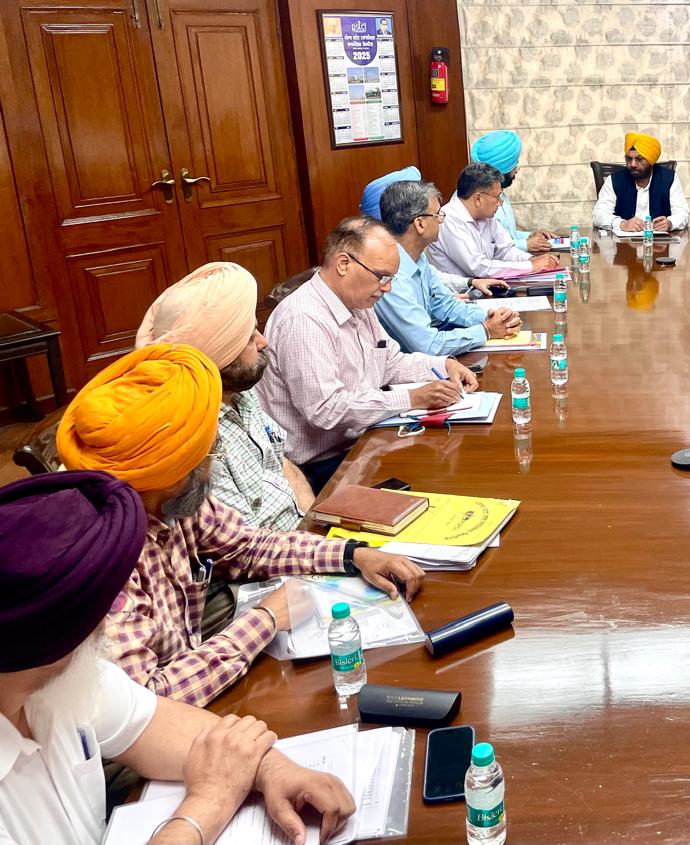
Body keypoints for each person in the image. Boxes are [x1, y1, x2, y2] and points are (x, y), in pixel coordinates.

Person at [56, 343, 430, 708]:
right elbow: (146, 705)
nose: (214, 464)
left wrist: (354, 555)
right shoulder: (102, 558)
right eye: (210, 452)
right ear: (172, 470)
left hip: (196, 668)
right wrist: (266, 619)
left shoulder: (165, 500)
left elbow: (248, 546)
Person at [0, 470, 356, 845]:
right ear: (49, 634)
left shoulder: (60, 678)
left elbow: (153, 724)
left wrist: (267, 767)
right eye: (102, 607)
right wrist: (207, 804)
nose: (109, 621)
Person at [258, 216, 478, 491]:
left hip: (362, 441)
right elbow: (326, 409)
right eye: (381, 276)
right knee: (439, 481)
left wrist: (444, 365)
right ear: (343, 264)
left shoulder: (358, 303)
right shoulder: (304, 319)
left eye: (391, 278)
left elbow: (390, 362)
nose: (387, 288)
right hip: (321, 466)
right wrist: (412, 398)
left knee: (455, 460)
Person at [136, 262, 313, 533]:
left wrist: (315, 520)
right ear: (217, 353)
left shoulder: (240, 390)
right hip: (276, 553)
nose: (263, 342)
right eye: (249, 338)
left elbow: (278, 462)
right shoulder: (195, 434)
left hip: (306, 533)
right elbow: (246, 545)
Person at [376, 180, 521, 356]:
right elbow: (428, 346)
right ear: (420, 224)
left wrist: (493, 317)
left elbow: (447, 305)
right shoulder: (390, 277)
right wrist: (486, 330)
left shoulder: (418, 259)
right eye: (437, 215)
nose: (441, 220)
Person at [429, 163, 560, 282]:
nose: (500, 203)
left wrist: (531, 259)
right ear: (478, 199)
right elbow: (478, 267)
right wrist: (530, 266)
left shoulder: (486, 217)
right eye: (497, 197)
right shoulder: (449, 219)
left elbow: (506, 250)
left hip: (486, 289)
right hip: (461, 296)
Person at [470, 130, 557, 253]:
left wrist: (531, 235)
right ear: (502, 169)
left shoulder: (499, 192)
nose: (517, 170)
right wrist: (525, 244)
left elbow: (507, 235)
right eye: (514, 165)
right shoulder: (478, 199)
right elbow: (486, 247)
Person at [591, 132, 690, 233]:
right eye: (629, 159)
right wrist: (621, 224)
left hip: (659, 241)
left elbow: (683, 213)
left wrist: (670, 223)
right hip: (623, 241)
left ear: (651, 160)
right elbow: (598, 215)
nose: (633, 164)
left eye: (639, 159)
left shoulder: (669, 178)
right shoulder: (614, 180)